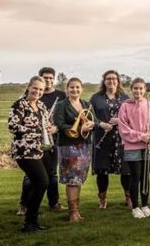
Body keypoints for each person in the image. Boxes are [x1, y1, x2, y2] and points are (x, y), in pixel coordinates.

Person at [8, 76, 53, 232]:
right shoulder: (19, 105)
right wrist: (36, 131)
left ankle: (31, 221)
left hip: (39, 149)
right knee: (42, 182)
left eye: (41, 89)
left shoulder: (41, 106)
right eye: (35, 88)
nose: (37, 92)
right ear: (28, 87)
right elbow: (13, 126)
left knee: (40, 183)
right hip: (24, 151)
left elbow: (47, 124)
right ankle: (28, 221)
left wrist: (50, 129)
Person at [17, 67, 65, 215]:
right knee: (31, 176)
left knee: (52, 174)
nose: (49, 80)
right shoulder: (34, 95)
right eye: (46, 77)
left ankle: (54, 202)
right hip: (33, 143)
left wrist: (56, 128)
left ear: (54, 79)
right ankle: (24, 205)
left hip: (52, 140)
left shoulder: (61, 95)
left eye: (51, 78)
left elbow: (63, 117)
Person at [52, 77, 95, 222]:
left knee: (79, 179)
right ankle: (72, 213)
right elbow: (59, 124)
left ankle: (77, 211)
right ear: (67, 89)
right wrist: (74, 128)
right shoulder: (61, 105)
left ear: (81, 89)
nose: (74, 90)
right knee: (71, 179)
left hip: (84, 145)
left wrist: (89, 125)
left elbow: (92, 121)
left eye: (77, 87)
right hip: (68, 145)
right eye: (71, 87)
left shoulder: (86, 104)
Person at [117, 78, 150, 219]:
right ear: (131, 89)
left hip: (148, 146)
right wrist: (141, 136)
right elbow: (123, 128)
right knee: (135, 176)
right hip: (132, 146)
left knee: (145, 177)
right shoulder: (125, 106)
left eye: (141, 88)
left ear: (145, 90)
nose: (138, 91)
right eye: (135, 88)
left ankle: (145, 205)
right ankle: (135, 207)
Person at [90, 70, 128, 210]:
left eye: (114, 78)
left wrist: (120, 120)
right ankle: (102, 200)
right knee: (102, 171)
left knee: (126, 170)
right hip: (102, 138)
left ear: (118, 81)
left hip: (122, 139)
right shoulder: (96, 98)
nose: (111, 81)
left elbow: (131, 117)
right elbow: (90, 117)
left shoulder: (125, 97)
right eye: (108, 78)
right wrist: (101, 124)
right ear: (104, 81)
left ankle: (128, 198)